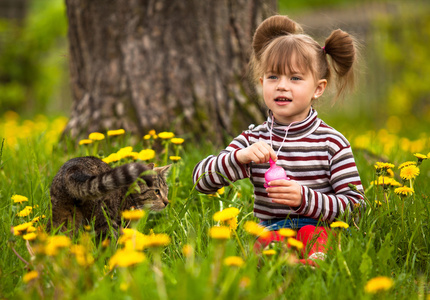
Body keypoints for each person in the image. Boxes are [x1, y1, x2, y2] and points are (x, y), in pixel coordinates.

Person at [192, 15, 365, 266]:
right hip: (272, 229)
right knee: (265, 241)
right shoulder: (254, 139)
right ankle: (278, 266)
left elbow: (357, 208)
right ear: (262, 83)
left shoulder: (332, 143)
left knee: (314, 235)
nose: (282, 86)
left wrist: (304, 199)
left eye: (295, 78)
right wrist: (239, 157)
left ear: (318, 88)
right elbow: (200, 180)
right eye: (273, 77)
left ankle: (315, 265)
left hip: (320, 226)